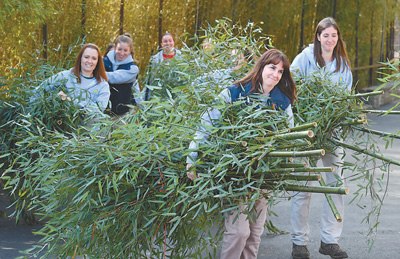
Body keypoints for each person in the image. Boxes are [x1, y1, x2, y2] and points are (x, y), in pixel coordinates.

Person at [187, 49, 297, 259]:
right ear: (262, 66)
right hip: (235, 174)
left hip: (264, 174)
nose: (275, 74)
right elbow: (206, 125)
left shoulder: (282, 102)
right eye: (272, 68)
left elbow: (288, 135)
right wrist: (192, 157)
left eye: (281, 71)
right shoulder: (235, 93)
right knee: (239, 231)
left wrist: (287, 158)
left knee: (255, 232)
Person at [289, 17, 352, 259]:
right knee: (303, 186)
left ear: (338, 38)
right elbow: (291, 84)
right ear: (318, 36)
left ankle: (330, 240)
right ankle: (299, 242)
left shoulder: (342, 64)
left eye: (334, 35)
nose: (330, 39)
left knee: (334, 184)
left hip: (332, 131)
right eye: (325, 35)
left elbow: (345, 98)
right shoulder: (305, 58)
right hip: (307, 131)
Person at [38, 43, 110, 114]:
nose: (90, 61)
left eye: (94, 58)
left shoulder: (103, 85)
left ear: (98, 62)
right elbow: (41, 89)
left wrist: (69, 100)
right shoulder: (64, 76)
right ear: (80, 58)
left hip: (88, 125)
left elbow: (98, 111)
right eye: (86, 57)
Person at [103, 34, 140, 115]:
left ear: (130, 51)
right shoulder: (103, 61)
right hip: (103, 111)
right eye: (119, 49)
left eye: (125, 50)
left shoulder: (132, 69)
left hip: (122, 114)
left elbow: (114, 77)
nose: (122, 53)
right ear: (115, 48)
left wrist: (97, 73)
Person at [144, 32, 182, 100]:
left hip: (177, 94)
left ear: (173, 42)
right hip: (159, 94)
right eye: (165, 41)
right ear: (161, 44)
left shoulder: (181, 57)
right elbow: (151, 80)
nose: (168, 43)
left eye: (170, 41)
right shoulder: (155, 59)